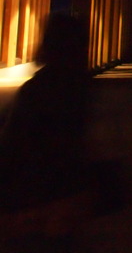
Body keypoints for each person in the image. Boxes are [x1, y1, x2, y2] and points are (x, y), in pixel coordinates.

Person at [0, 13, 99, 250]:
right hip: (64, 196)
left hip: (32, 197)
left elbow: (17, 143)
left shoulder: (39, 89)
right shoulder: (81, 87)